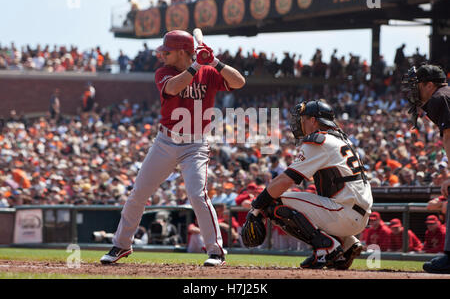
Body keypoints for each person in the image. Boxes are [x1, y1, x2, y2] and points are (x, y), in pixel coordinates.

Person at [100, 29, 245, 266]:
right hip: (165, 141)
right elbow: (174, 88)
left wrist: (215, 62)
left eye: (168, 51)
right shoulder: (163, 72)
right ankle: (121, 245)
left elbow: (239, 82)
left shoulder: (207, 71)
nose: (163, 54)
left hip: (195, 143)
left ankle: (216, 252)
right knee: (139, 193)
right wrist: (196, 66)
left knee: (197, 195)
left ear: (181, 52)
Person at [241, 100, 373, 269]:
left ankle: (326, 247)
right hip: (357, 213)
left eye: (302, 119)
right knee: (305, 201)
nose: (299, 123)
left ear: (313, 120)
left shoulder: (320, 141)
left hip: (344, 213)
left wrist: (256, 206)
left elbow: (284, 181)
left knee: (274, 203)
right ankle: (347, 245)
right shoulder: (342, 140)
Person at [402, 63, 450, 273]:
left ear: (430, 85)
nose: (415, 90)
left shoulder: (439, 97)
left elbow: (449, 136)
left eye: (418, 85)